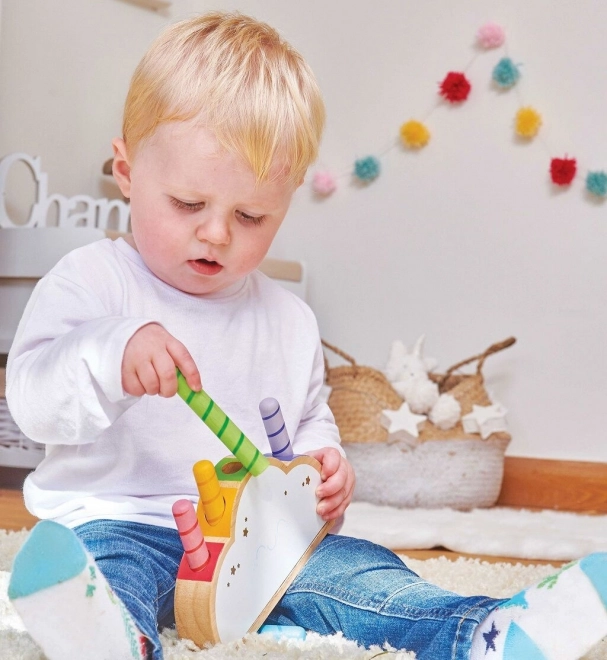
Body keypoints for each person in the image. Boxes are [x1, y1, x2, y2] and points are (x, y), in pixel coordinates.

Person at [6, 11, 607, 660]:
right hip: (119, 523)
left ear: (287, 199)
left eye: (250, 215)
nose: (216, 233)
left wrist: (324, 470)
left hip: (259, 547)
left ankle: (482, 630)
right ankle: (108, 640)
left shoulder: (288, 320)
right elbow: (33, 405)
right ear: (125, 170)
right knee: (104, 573)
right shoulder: (91, 281)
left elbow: (305, 424)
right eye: (187, 205)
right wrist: (107, 353)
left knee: (362, 571)